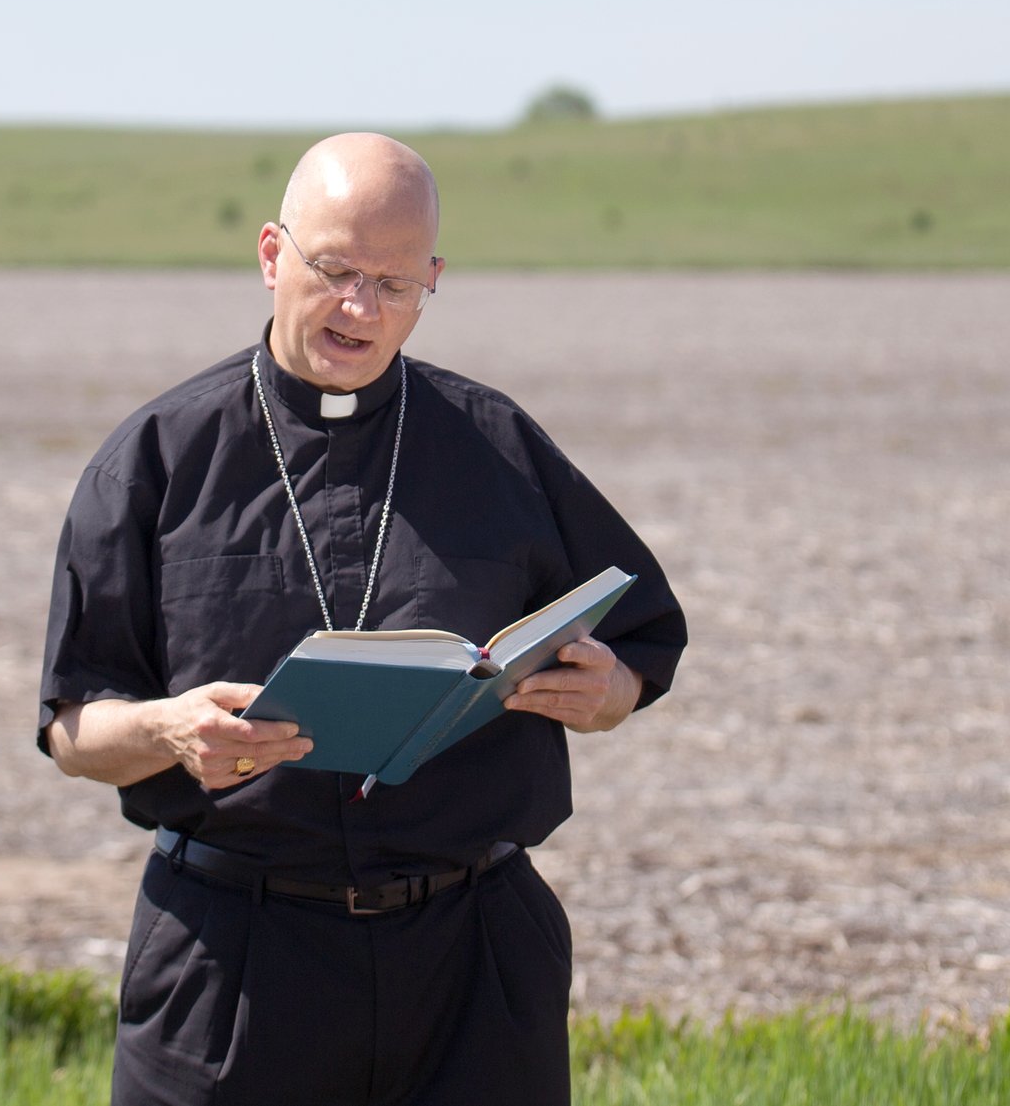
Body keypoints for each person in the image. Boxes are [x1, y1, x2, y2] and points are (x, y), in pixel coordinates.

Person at [38, 132, 686, 1105]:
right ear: (270, 256)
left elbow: (640, 635)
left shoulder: (497, 444)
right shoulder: (158, 459)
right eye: (335, 270)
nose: (360, 308)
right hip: (235, 964)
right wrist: (168, 730)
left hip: (473, 962)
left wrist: (612, 692)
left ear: (432, 281)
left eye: (394, 284)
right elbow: (70, 727)